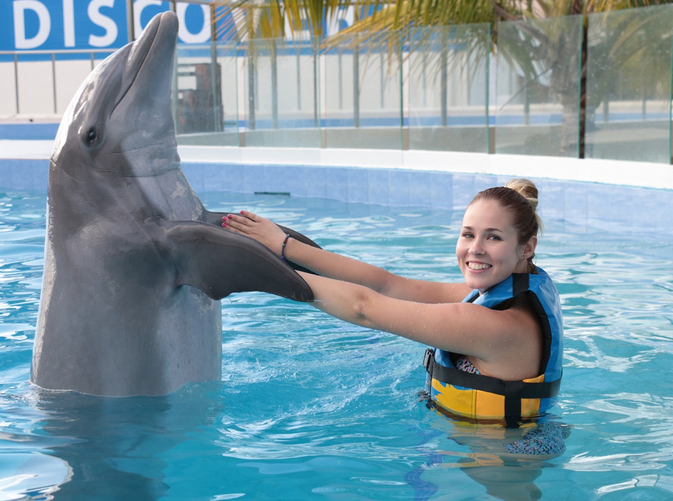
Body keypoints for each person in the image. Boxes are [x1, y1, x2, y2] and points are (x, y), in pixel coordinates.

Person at [222, 178, 563, 430]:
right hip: (483, 455)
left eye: (494, 237)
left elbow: (364, 308)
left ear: (527, 246)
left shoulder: (496, 326)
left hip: (502, 475)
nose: (475, 248)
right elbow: (389, 284)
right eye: (468, 234)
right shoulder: (503, 294)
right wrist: (284, 246)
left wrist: (259, 274)